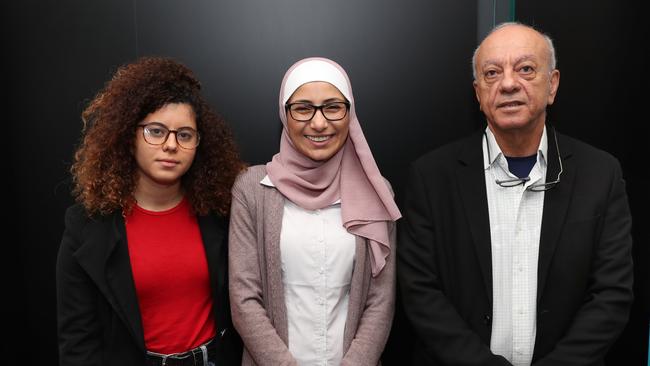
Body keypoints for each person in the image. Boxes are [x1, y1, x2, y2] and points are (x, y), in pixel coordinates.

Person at [397, 22, 633, 366]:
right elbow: (420, 292)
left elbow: (611, 294)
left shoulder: (601, 174)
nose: (508, 84)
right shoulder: (431, 177)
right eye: (492, 73)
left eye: (525, 69)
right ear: (478, 94)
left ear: (552, 85)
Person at [57, 56, 245, 366]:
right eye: (156, 131)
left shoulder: (222, 211)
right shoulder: (87, 227)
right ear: (129, 137)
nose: (171, 145)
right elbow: (78, 341)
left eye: (184, 135)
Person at [228, 57, 401, 365]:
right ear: (285, 114)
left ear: (350, 113)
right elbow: (244, 299)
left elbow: (381, 300)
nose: (319, 123)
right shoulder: (252, 189)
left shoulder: (377, 192)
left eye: (333, 107)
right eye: (303, 108)